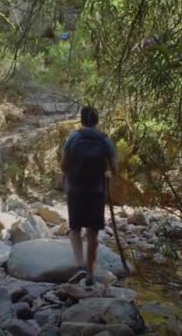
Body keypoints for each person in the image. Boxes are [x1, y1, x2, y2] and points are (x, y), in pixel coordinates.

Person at [60, 106, 118, 287]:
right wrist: (109, 175)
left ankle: (79, 267)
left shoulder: (74, 137)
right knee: (93, 232)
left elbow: (63, 163)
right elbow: (114, 167)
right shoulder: (105, 139)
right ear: (97, 120)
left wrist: (70, 173)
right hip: (96, 191)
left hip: (75, 189)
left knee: (75, 228)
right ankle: (91, 274)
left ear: (82, 120)